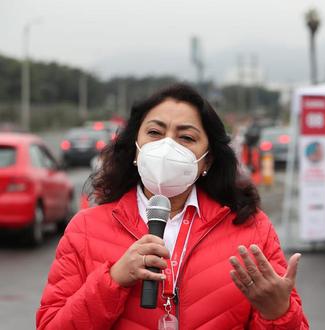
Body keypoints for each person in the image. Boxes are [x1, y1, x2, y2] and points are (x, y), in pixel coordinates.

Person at [37, 85, 309, 329]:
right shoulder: (85, 229)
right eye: (154, 132)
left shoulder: (252, 228)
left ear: (208, 160)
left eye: (186, 137)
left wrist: (278, 313)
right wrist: (113, 280)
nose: (166, 146)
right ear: (135, 148)